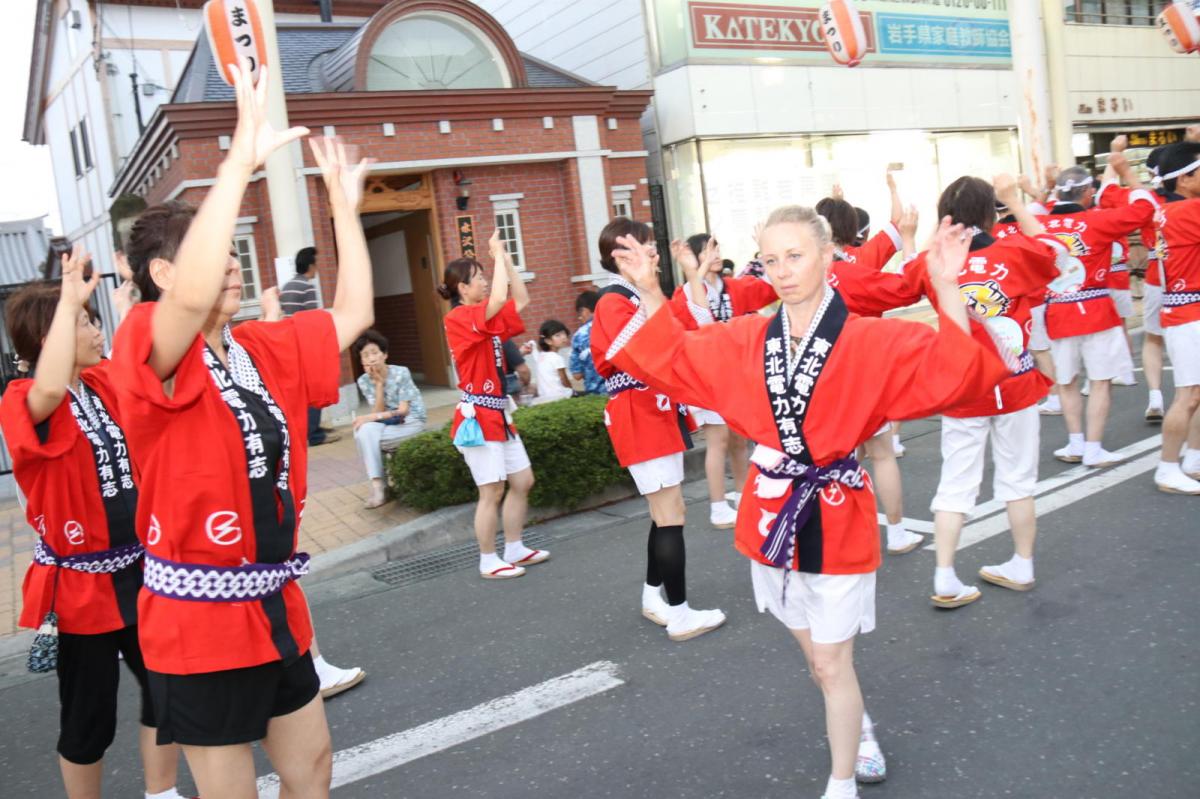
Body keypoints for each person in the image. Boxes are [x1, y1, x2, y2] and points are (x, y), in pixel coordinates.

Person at [605, 208, 1009, 799]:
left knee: (828, 662)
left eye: (795, 255)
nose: (783, 271)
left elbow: (958, 371)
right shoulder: (748, 337)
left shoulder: (871, 338)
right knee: (814, 654)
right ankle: (859, 723)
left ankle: (842, 778)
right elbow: (673, 358)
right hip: (770, 513)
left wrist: (946, 286)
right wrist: (648, 289)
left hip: (836, 512)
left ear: (827, 257)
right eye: (770, 260)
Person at [111, 63, 374, 798]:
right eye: (213, 248)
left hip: (274, 596)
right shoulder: (150, 345)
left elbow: (351, 316)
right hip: (196, 615)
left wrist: (342, 209)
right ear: (163, 273)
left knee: (312, 768)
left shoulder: (261, 346)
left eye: (231, 247)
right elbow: (192, 298)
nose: (230, 261)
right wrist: (237, 162)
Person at [1, 251, 188, 799]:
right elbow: (51, 389)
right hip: (81, 591)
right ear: (47, 337)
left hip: (140, 569)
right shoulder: (25, 401)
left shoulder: (104, 384)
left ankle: (161, 793)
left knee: (165, 691)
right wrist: (66, 300)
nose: (94, 327)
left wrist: (139, 287)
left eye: (89, 317)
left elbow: (144, 353)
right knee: (90, 717)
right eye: (84, 321)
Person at [916, 175, 1063, 608]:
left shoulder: (934, 262)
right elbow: (1057, 252)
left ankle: (944, 575)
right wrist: (1016, 203)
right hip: (1014, 384)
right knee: (1018, 479)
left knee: (956, 482)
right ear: (989, 212)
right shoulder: (1015, 251)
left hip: (965, 388)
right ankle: (1022, 563)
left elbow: (912, 266)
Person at [590, 217, 726, 642]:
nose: (652, 254)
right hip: (638, 411)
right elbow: (631, 351)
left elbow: (693, 325)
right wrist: (653, 293)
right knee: (671, 515)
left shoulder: (639, 295)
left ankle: (654, 597)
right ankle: (680, 613)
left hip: (654, 409)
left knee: (665, 514)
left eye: (650, 246)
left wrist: (693, 275)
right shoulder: (612, 301)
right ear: (620, 258)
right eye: (642, 248)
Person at [817, 196, 926, 556]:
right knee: (881, 453)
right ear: (851, 232)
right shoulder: (853, 271)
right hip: (860, 374)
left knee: (834, 455)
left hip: (814, 376)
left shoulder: (800, 274)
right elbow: (909, 287)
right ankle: (895, 532)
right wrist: (909, 239)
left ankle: (826, 529)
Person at [438, 230, 550, 579]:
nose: (485, 282)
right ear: (462, 288)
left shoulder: (483, 315)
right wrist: (498, 255)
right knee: (491, 490)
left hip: (499, 411)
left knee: (523, 480)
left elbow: (521, 298)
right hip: (479, 413)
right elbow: (502, 297)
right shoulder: (459, 318)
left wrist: (505, 260)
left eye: (485, 276)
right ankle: (488, 559)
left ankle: (514, 546)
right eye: (478, 278)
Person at [1038, 156, 1157, 467]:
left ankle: (1075, 443)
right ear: (1088, 193)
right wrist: (1127, 176)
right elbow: (1146, 208)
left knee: (1066, 381)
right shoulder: (1097, 220)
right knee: (1101, 380)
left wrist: (1041, 191)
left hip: (1058, 311)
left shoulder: (1038, 224)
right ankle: (1093, 447)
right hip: (1096, 310)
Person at [675, 232, 777, 528]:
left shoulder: (731, 286)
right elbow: (700, 324)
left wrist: (767, 249)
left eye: (716, 249)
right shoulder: (687, 291)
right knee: (717, 440)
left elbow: (768, 289)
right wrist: (698, 272)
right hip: (706, 374)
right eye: (708, 250)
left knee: (739, 440)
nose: (715, 255)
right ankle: (718, 507)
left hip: (737, 372)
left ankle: (744, 496)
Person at [1151, 141, 1200, 494]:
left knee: (1197, 393)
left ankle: (1194, 457)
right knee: (1189, 395)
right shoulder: (1190, 212)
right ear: (1184, 180)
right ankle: (1168, 467)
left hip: (1182, 307)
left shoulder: (1167, 210)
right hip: (1189, 311)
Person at [352, 329, 427, 508]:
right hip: (387, 424)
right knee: (364, 431)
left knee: (365, 437)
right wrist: (378, 385)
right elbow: (379, 413)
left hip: (411, 421)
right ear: (361, 361)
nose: (371, 358)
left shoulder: (401, 373)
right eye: (365, 355)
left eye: (375, 353)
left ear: (385, 354)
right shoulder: (364, 381)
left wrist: (371, 416)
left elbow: (403, 410)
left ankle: (381, 489)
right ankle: (379, 486)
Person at [280, 245, 340, 447]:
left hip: (289, 344)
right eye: (317, 263)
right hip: (305, 345)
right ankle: (314, 434)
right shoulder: (307, 287)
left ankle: (311, 428)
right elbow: (312, 319)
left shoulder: (288, 285)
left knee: (302, 390)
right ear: (311, 265)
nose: (319, 267)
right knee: (315, 386)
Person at [525, 319, 574, 403]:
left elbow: (535, 352)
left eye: (563, 333)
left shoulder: (541, 356)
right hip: (559, 396)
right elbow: (564, 380)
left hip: (544, 397)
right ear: (548, 341)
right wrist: (572, 390)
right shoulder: (557, 358)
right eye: (558, 335)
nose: (563, 337)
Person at [569, 290, 605, 395]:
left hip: (594, 394)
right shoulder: (615, 326)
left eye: (579, 314)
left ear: (584, 311)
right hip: (620, 390)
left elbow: (577, 375)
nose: (580, 318)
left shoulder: (579, 336)